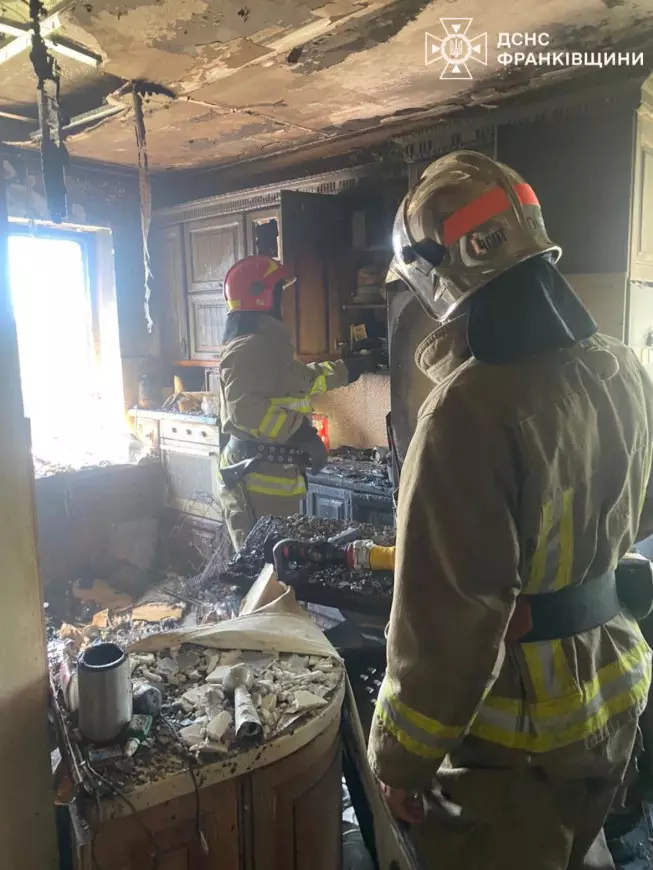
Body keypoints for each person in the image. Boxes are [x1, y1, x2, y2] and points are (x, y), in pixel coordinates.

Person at [367, 150, 653, 870]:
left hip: (514, 745)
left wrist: (399, 760)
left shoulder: (465, 411)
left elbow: (445, 619)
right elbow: (640, 515)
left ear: (436, 273)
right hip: (614, 695)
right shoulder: (623, 368)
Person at [217, 254, 378, 551]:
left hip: (271, 479)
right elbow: (244, 411)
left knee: (279, 568)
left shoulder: (267, 346)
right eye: (281, 294)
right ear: (264, 298)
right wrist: (301, 433)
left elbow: (302, 381)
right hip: (254, 484)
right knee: (260, 570)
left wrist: (350, 368)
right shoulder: (248, 348)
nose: (285, 305)